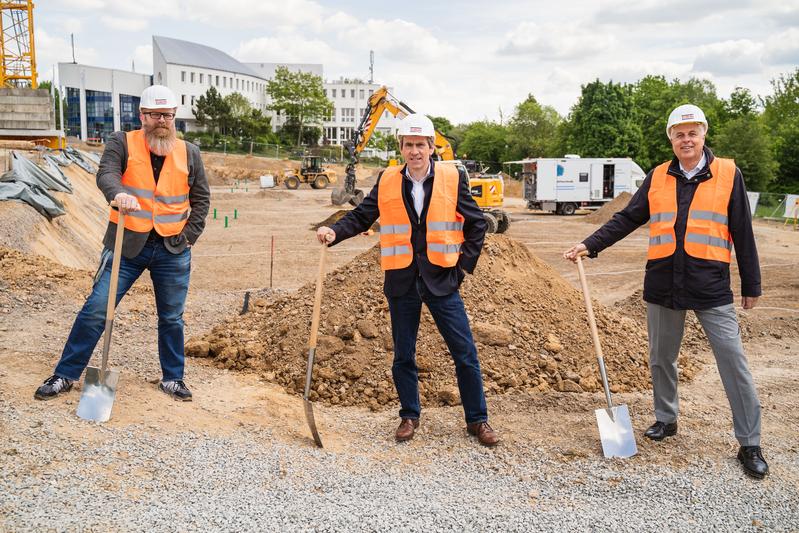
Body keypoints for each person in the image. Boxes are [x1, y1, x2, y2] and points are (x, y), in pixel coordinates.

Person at [564, 104, 768, 479]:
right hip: (662, 282)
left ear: (703, 135)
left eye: (692, 132)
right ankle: (666, 418)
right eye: (679, 134)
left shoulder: (727, 173)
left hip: (710, 284)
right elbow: (628, 217)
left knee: (732, 361)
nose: (686, 139)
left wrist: (751, 284)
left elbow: (742, 229)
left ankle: (750, 442)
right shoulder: (658, 176)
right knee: (661, 358)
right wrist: (589, 244)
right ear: (671, 139)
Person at [316, 114, 498, 446]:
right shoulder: (387, 180)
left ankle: (477, 420)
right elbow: (361, 216)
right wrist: (334, 231)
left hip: (442, 279)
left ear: (431, 147)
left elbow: (477, 224)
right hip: (401, 280)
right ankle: (409, 415)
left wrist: (461, 269)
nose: (415, 151)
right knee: (403, 354)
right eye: (408, 145)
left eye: (420, 145)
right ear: (401, 147)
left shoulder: (451, 178)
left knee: (465, 352)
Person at [35, 85, 210, 402]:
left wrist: (188, 238)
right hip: (126, 245)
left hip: (172, 250)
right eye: (155, 114)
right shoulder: (121, 142)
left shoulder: (190, 152)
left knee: (171, 318)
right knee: (96, 309)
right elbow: (106, 174)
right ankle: (65, 374)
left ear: (174, 118)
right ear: (142, 116)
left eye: (167, 115)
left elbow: (201, 200)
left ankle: (173, 378)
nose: (162, 121)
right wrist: (118, 194)